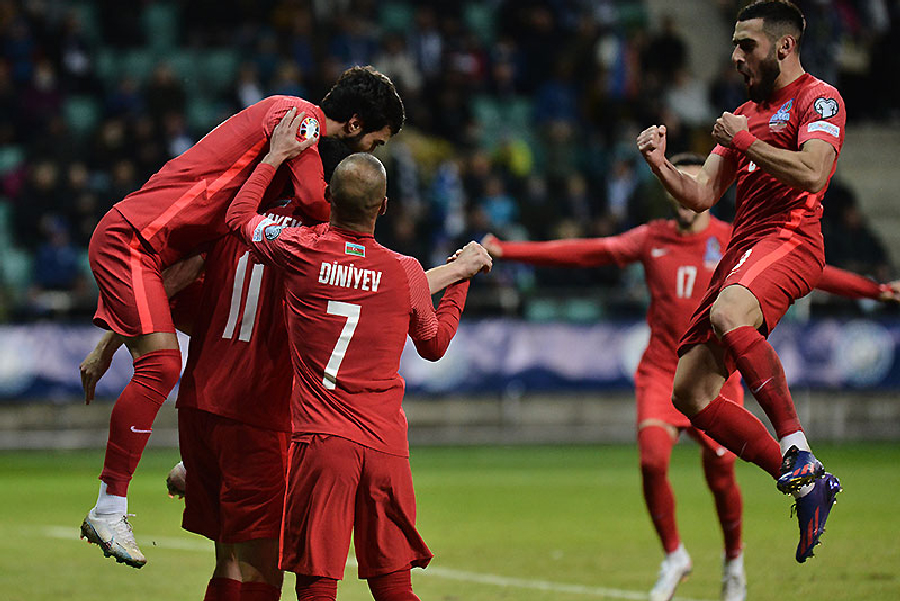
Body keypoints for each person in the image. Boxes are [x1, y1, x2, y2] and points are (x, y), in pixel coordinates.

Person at [482, 153, 900, 601]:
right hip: (661, 371)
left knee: (721, 476)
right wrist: (508, 251)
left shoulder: (735, 239)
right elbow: (589, 251)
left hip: (715, 375)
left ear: (711, 190)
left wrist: (872, 289)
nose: (686, 196)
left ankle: (734, 561)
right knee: (651, 461)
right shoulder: (651, 238)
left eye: (696, 183)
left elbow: (809, 271)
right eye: (678, 185)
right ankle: (674, 556)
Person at [80, 66, 405, 568]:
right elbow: (317, 201)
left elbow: (183, 273)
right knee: (164, 365)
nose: (370, 153)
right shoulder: (299, 119)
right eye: (375, 142)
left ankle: (209, 453)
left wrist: (107, 343)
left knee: (227, 320)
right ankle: (108, 507)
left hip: (164, 254)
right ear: (357, 122)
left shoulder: (267, 174)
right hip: (135, 241)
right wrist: (355, 222)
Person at [225, 110, 491, 601]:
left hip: (323, 443)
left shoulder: (301, 250)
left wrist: (274, 157)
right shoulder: (405, 272)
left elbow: (239, 218)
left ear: (328, 197)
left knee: (317, 584)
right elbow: (434, 345)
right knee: (394, 585)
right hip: (386, 446)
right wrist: (460, 280)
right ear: (383, 206)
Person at [636, 0, 848, 563]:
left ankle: (796, 446)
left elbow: (815, 171)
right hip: (743, 252)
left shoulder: (818, 99)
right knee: (690, 392)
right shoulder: (743, 115)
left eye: (746, 45)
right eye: (733, 44)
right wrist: (660, 165)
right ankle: (807, 483)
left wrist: (746, 142)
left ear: (785, 45)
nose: (734, 56)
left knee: (729, 313)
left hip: (790, 238)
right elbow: (702, 194)